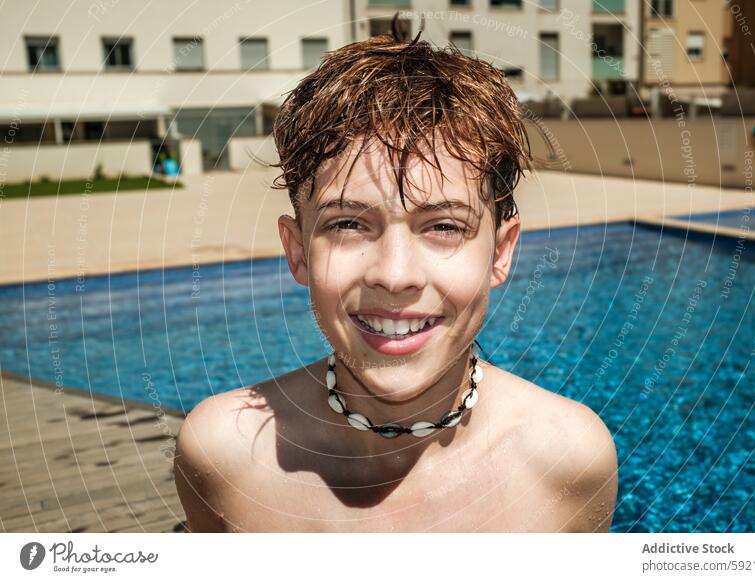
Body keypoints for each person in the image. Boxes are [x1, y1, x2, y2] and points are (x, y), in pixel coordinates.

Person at [174, 19, 617, 533]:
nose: (395, 274)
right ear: (297, 251)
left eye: (445, 226)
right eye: (347, 224)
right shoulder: (222, 456)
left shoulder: (569, 462)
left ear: (500, 252)